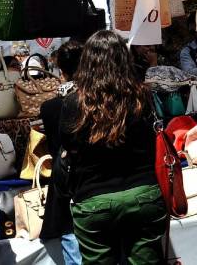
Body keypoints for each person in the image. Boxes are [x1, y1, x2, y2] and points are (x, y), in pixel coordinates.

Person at [60, 31, 167, 264]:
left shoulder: (73, 103)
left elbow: (68, 150)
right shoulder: (141, 96)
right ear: (124, 59)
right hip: (143, 195)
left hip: (93, 201)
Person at [39, 40, 84, 265]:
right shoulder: (98, 99)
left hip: (67, 189)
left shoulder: (49, 108)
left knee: (73, 248)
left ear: (61, 71)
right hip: (95, 185)